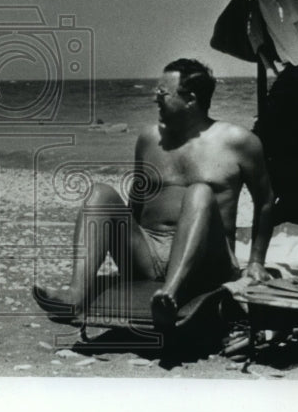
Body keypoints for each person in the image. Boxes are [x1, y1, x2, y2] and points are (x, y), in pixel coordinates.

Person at [33, 58, 275, 330]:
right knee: (100, 193)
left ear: (191, 99)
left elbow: (265, 201)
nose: (154, 98)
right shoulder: (149, 139)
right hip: (148, 254)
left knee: (199, 192)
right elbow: (137, 200)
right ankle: (75, 295)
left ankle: (170, 294)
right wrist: (123, 240)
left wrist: (256, 262)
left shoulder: (238, 141)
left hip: (207, 263)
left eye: (162, 93)